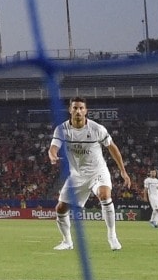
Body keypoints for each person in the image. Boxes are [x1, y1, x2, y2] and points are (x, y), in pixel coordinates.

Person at [48, 97, 130, 251]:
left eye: (81, 108)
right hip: (76, 175)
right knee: (60, 209)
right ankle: (67, 241)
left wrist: (123, 171)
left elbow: (113, 148)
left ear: (86, 111)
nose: (78, 111)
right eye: (75, 108)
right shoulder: (62, 129)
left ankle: (112, 236)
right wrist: (52, 156)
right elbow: (53, 148)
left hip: (97, 171)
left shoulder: (97, 129)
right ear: (70, 110)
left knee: (105, 195)